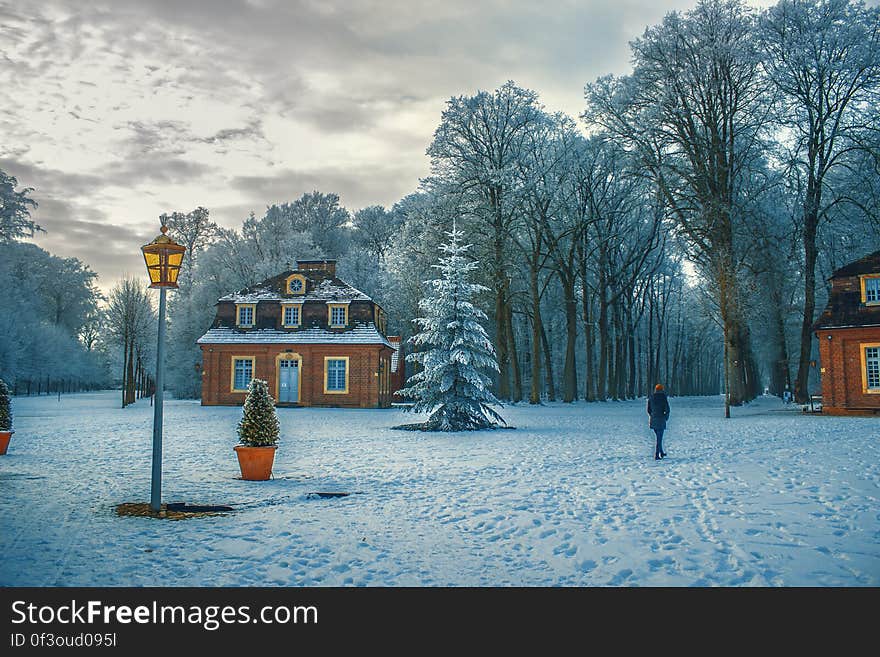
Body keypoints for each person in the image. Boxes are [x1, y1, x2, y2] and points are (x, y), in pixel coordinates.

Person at [647, 383, 670, 460]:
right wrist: (665, 418)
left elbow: (648, 410)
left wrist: (652, 415)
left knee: (658, 437)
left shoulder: (651, 397)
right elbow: (667, 410)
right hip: (661, 419)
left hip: (653, 420)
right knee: (659, 438)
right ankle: (657, 455)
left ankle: (661, 452)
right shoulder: (663, 398)